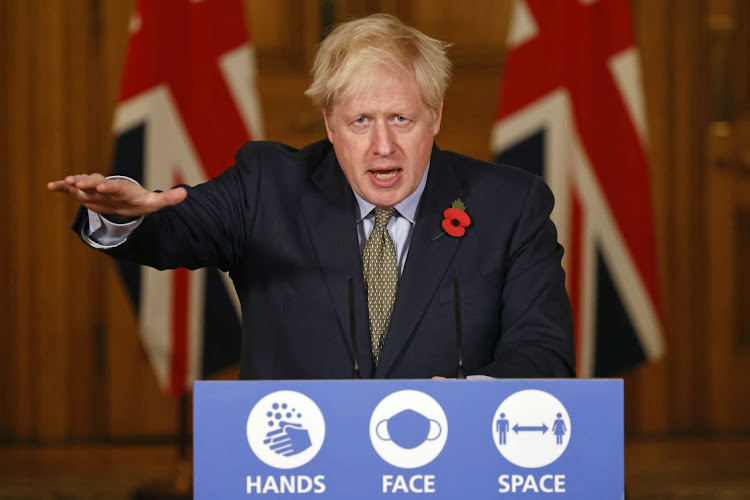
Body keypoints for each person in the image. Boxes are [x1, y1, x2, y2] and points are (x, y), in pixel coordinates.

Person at [48, 14, 575, 380]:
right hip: (297, 472)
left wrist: (469, 403)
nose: (382, 146)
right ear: (329, 123)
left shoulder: (511, 205)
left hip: (449, 469)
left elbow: (544, 353)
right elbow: (175, 230)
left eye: (401, 119)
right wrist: (121, 216)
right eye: (361, 121)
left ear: (435, 116)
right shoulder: (268, 185)